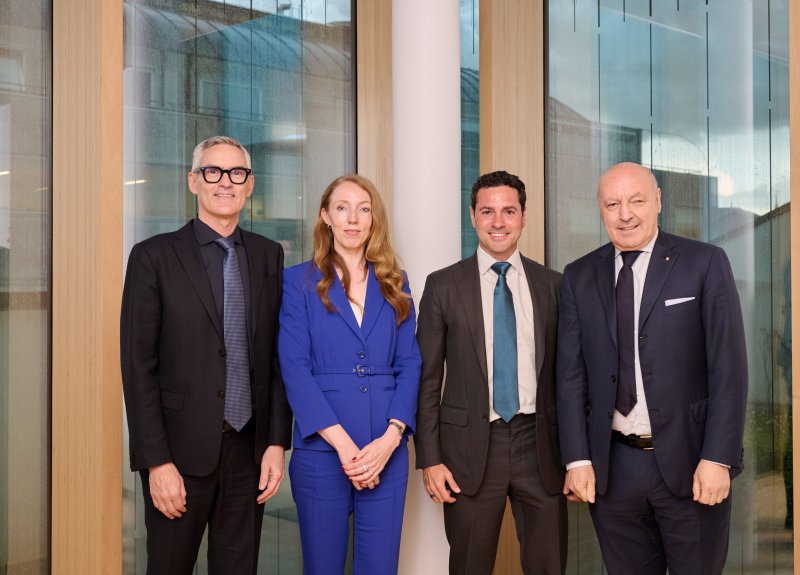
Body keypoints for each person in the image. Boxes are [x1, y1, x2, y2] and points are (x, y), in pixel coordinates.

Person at [557, 162, 748, 574]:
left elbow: (729, 370)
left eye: (637, 201)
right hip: (613, 470)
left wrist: (718, 457)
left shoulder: (705, 262)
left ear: (658, 201)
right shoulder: (578, 276)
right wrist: (577, 459)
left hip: (692, 462)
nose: (625, 214)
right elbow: (570, 378)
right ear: (600, 209)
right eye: (612, 204)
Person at [121, 136, 292, 574]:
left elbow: (277, 359)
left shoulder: (268, 256)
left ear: (250, 185)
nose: (225, 182)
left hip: (248, 452)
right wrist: (156, 462)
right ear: (193, 181)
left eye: (237, 173)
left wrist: (276, 443)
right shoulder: (152, 257)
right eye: (212, 172)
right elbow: (138, 368)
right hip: (178, 454)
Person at [415, 170, 568, 574]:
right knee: (470, 565)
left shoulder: (553, 286)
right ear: (472, 216)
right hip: (468, 451)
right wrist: (430, 458)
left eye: (508, 211)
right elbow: (426, 381)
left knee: (549, 565)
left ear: (523, 216)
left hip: (542, 446)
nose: (498, 222)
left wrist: (576, 457)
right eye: (487, 211)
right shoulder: (443, 286)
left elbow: (571, 378)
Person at [278, 174, 421, 574]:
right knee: (322, 566)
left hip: (386, 453)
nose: (353, 219)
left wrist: (390, 440)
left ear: (374, 218)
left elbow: (410, 363)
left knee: (380, 567)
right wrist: (346, 449)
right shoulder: (298, 282)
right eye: (342, 208)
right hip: (323, 453)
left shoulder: (395, 282)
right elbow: (295, 370)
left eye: (363, 209)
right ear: (326, 216)